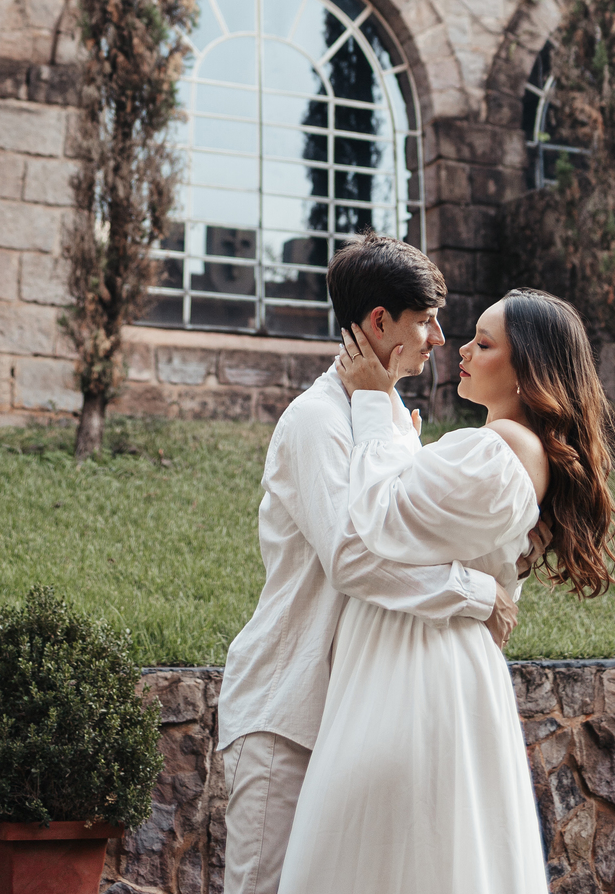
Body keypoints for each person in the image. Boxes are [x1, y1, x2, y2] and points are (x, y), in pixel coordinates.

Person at [218, 235, 549, 894]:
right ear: (379, 322)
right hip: (290, 712)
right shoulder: (318, 420)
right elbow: (352, 556)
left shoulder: (394, 421)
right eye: (425, 319)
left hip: (359, 709)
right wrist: (476, 595)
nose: (439, 337)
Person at [277, 284, 615, 894]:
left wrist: (370, 400)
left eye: (485, 343)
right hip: (419, 660)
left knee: (380, 856)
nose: (459, 346)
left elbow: (376, 520)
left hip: (414, 674)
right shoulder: (495, 449)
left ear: (527, 375)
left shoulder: (502, 448)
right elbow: (419, 530)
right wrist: (398, 435)